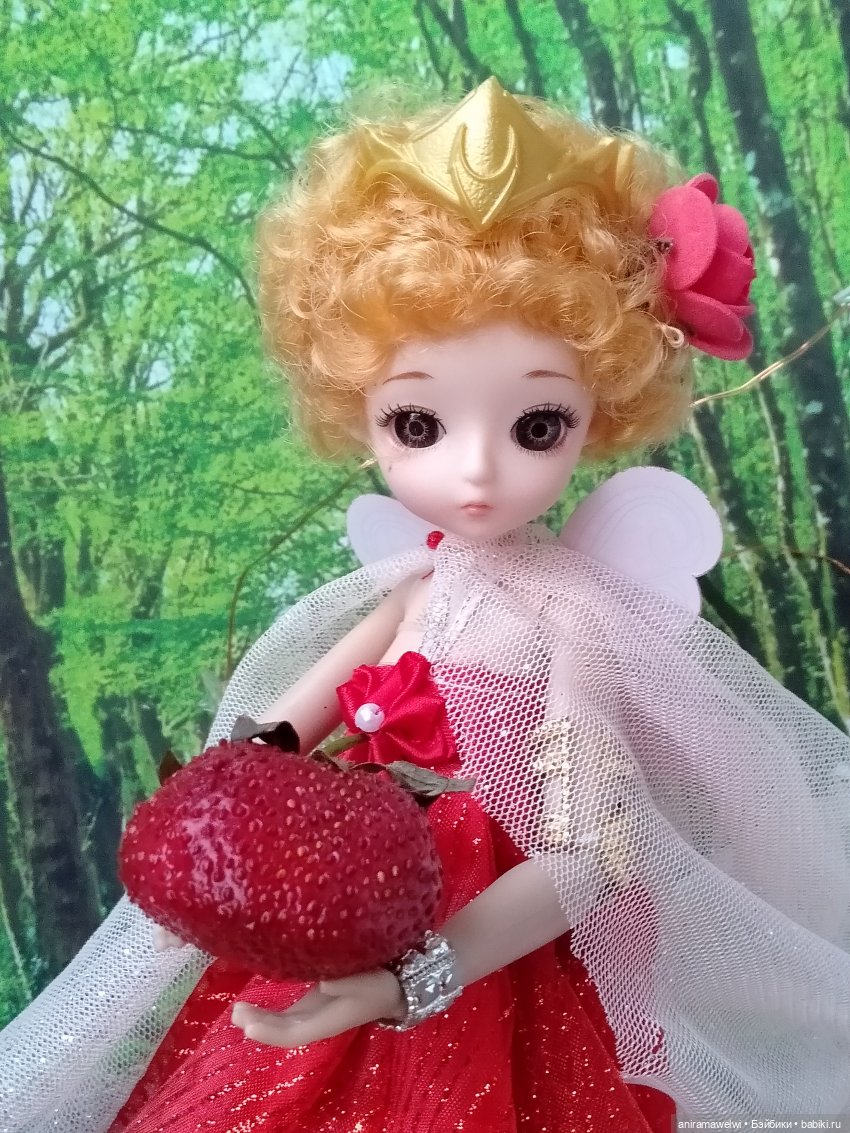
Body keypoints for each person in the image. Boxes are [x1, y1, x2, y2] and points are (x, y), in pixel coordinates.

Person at [2, 78, 850, 1132]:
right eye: (418, 423)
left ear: (602, 410)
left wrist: (417, 975)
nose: (477, 470)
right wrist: (220, 830)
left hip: (482, 941)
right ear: (355, 410)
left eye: (537, 424)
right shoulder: (414, 586)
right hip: (334, 894)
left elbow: (590, 856)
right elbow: (274, 737)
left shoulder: (572, 623)